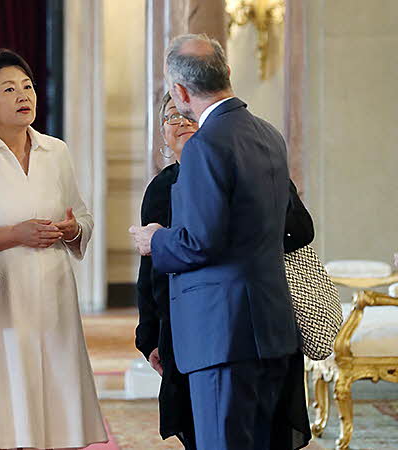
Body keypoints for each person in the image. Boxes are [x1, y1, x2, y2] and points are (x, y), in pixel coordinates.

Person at [129, 34, 310, 449]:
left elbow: (199, 243)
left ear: (180, 90)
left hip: (222, 333)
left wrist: (156, 241)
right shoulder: (268, 134)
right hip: (271, 325)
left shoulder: (206, 146)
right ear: (227, 72)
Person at [0, 49, 108, 450]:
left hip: (53, 296)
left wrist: (70, 230)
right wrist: (16, 234)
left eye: (27, 87)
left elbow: (82, 218)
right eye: (8, 89)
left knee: (53, 414)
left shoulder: (56, 151)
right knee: (2, 415)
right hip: (0, 300)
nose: (22, 95)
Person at [134, 92, 199, 449]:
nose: (183, 123)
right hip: (174, 322)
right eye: (173, 117)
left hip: (216, 316)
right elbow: (150, 269)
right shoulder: (160, 187)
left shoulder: (228, 173)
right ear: (162, 132)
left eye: (190, 115)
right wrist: (149, 336)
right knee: (189, 423)